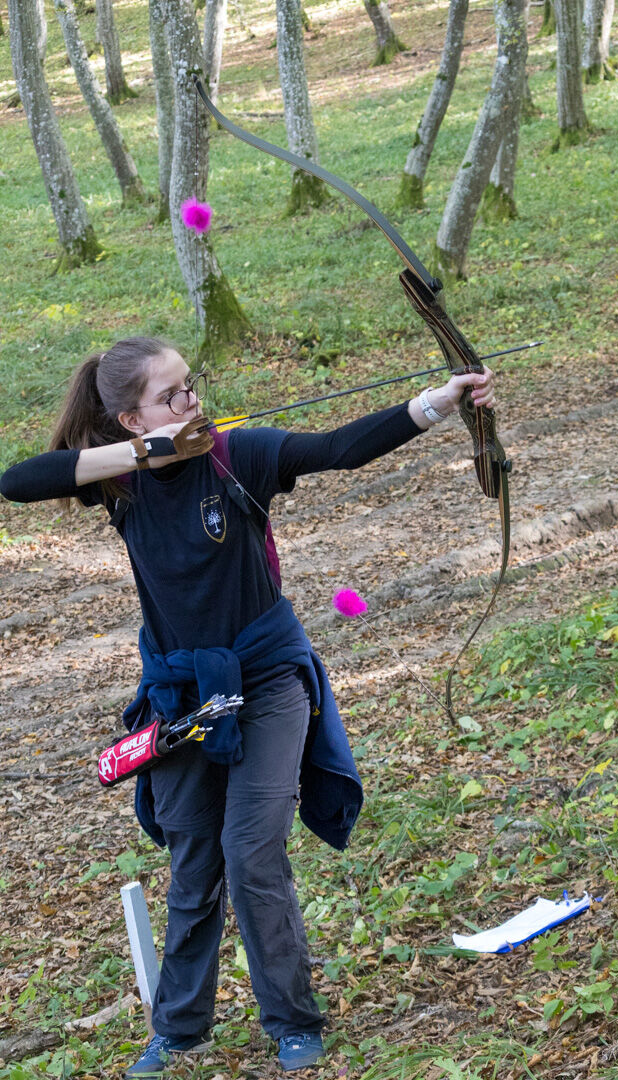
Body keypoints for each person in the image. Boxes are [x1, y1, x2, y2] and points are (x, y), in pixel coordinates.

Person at [0, 338, 496, 1076]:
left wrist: (440, 402)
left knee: (250, 850)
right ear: (132, 419)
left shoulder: (239, 455)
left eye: (190, 387)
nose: (191, 403)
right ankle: (179, 1030)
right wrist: (149, 455)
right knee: (195, 855)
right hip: (183, 698)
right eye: (172, 397)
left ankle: (293, 1020)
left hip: (266, 680)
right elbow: (18, 480)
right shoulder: (124, 482)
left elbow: (340, 448)